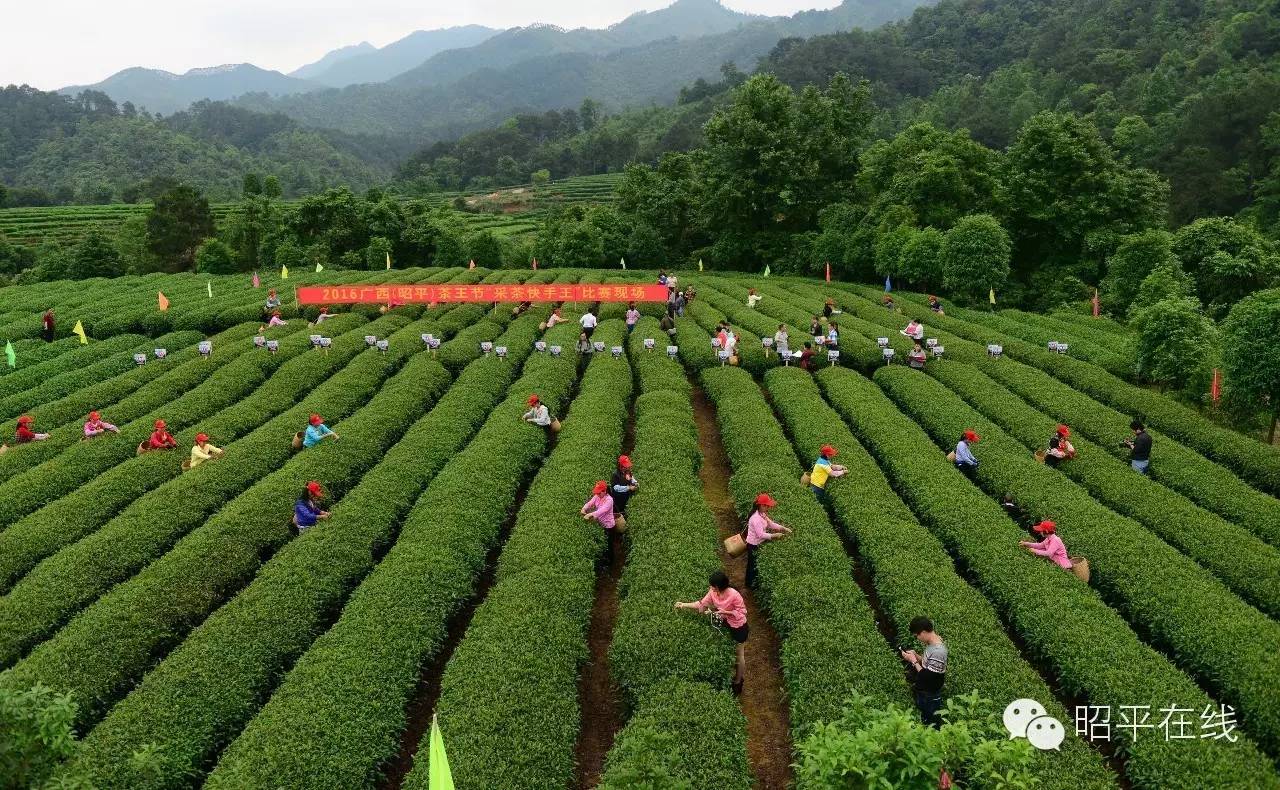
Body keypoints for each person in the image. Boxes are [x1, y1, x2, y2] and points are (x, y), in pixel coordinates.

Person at [675, 570, 748, 694]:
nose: (710, 588)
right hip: (724, 622)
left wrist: (725, 612)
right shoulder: (713, 592)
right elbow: (702, 604)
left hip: (738, 625)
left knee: (739, 654)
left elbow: (742, 612)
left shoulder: (734, 595)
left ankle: (738, 681)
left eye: (712, 586)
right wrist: (684, 605)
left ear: (719, 586)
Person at [901, 616, 948, 728]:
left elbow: (927, 676)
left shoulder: (938, 651)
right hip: (925, 692)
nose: (917, 638)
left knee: (931, 726)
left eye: (917, 635)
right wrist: (916, 656)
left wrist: (913, 661)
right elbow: (927, 663)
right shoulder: (932, 644)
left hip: (930, 696)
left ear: (922, 632)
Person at [744, 493, 791, 588]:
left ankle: (753, 583)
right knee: (752, 565)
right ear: (761, 505)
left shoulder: (762, 514)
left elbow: (771, 524)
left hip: (759, 543)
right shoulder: (755, 519)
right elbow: (760, 534)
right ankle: (749, 585)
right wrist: (774, 535)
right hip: (753, 544)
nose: (768, 508)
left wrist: (783, 528)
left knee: (755, 564)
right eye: (767, 506)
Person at [582, 480, 618, 563]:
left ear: (604, 491)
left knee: (609, 545)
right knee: (604, 543)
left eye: (599, 493)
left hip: (609, 526)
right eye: (597, 492)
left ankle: (611, 562)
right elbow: (590, 503)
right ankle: (605, 559)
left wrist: (590, 514)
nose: (597, 494)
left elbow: (601, 511)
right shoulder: (597, 496)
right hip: (600, 524)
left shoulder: (609, 500)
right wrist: (584, 508)